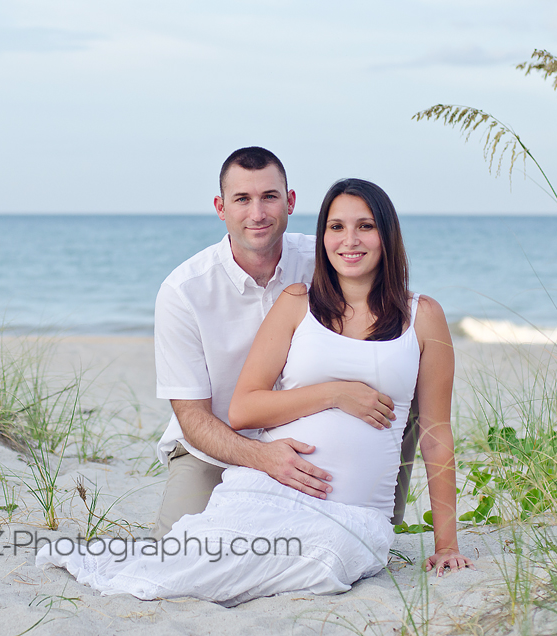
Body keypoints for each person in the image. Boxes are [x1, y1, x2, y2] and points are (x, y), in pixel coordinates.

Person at [36, 178, 474, 605]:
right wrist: (336, 392)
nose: (350, 240)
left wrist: (447, 544)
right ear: (322, 237)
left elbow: (436, 434)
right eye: (336, 227)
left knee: (323, 561)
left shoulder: (423, 316)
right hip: (270, 484)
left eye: (365, 226)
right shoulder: (297, 302)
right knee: (193, 558)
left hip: (357, 511)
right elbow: (244, 408)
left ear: (387, 234)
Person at [150, 147, 396, 540]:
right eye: (242, 199)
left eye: (269, 197)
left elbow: (390, 332)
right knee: (177, 552)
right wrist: (261, 458)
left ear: (291, 201)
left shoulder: (326, 262)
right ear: (220, 207)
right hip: (214, 448)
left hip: (307, 443)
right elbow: (192, 418)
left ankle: (386, 517)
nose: (258, 213)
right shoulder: (184, 292)